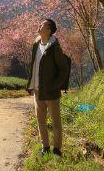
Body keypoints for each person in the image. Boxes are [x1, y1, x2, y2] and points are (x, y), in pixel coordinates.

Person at [25, 18, 70, 156]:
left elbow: (64, 69)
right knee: (40, 121)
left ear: (49, 30)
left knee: (56, 122)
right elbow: (34, 66)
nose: (39, 25)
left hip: (51, 93)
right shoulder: (36, 44)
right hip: (37, 91)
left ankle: (57, 150)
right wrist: (32, 85)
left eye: (42, 25)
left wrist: (54, 86)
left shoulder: (54, 48)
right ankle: (45, 147)